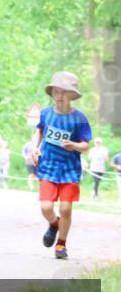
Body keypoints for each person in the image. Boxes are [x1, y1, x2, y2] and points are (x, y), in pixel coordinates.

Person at [31, 71, 91, 259]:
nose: (59, 95)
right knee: (46, 208)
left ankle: (61, 244)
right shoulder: (46, 114)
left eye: (64, 92)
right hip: (48, 165)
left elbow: (85, 145)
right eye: (56, 91)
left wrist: (74, 145)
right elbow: (39, 131)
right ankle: (54, 224)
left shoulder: (79, 118)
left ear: (72, 95)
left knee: (66, 208)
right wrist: (35, 148)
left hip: (69, 169)